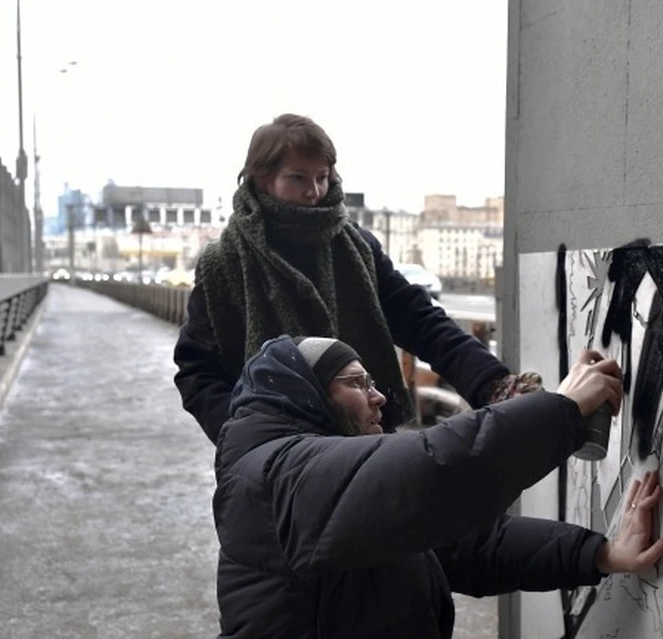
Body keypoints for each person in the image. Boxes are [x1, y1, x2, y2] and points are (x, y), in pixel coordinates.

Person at [212, 335, 663, 638]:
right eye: (356, 383)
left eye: (372, 381)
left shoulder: (328, 483)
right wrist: (564, 410)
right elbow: (437, 472)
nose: (377, 396)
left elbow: (465, 545)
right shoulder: (274, 479)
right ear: (306, 396)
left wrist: (600, 553)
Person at [174, 113, 534, 443]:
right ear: (263, 179)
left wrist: (490, 382)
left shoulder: (356, 247)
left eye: (321, 177)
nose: (313, 192)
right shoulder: (224, 263)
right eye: (297, 178)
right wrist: (238, 436)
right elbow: (197, 370)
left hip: (367, 438)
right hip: (273, 456)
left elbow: (419, 318)